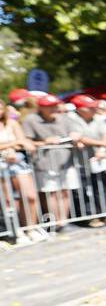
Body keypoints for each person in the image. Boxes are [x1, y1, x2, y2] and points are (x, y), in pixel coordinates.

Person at [21, 94, 82, 232]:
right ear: (41, 107)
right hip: (44, 163)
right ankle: (54, 223)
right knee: (51, 193)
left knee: (65, 191)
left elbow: (76, 132)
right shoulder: (31, 120)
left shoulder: (64, 118)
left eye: (55, 105)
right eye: (50, 106)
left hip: (65, 160)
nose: (54, 108)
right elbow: (26, 141)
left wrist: (76, 136)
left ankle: (63, 221)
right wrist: (44, 142)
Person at [68, 95, 106, 226]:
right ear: (80, 109)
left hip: (98, 160)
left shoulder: (98, 119)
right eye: (90, 108)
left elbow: (105, 136)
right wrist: (103, 144)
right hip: (80, 161)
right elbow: (79, 137)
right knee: (85, 190)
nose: (94, 109)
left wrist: (101, 149)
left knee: (101, 187)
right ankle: (91, 216)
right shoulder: (72, 119)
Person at [0, 101, 43, 241]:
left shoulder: (11, 123)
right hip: (1, 165)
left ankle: (31, 228)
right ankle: (16, 231)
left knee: (30, 196)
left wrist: (12, 148)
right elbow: (18, 142)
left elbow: (23, 141)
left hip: (17, 162)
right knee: (9, 201)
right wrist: (12, 145)